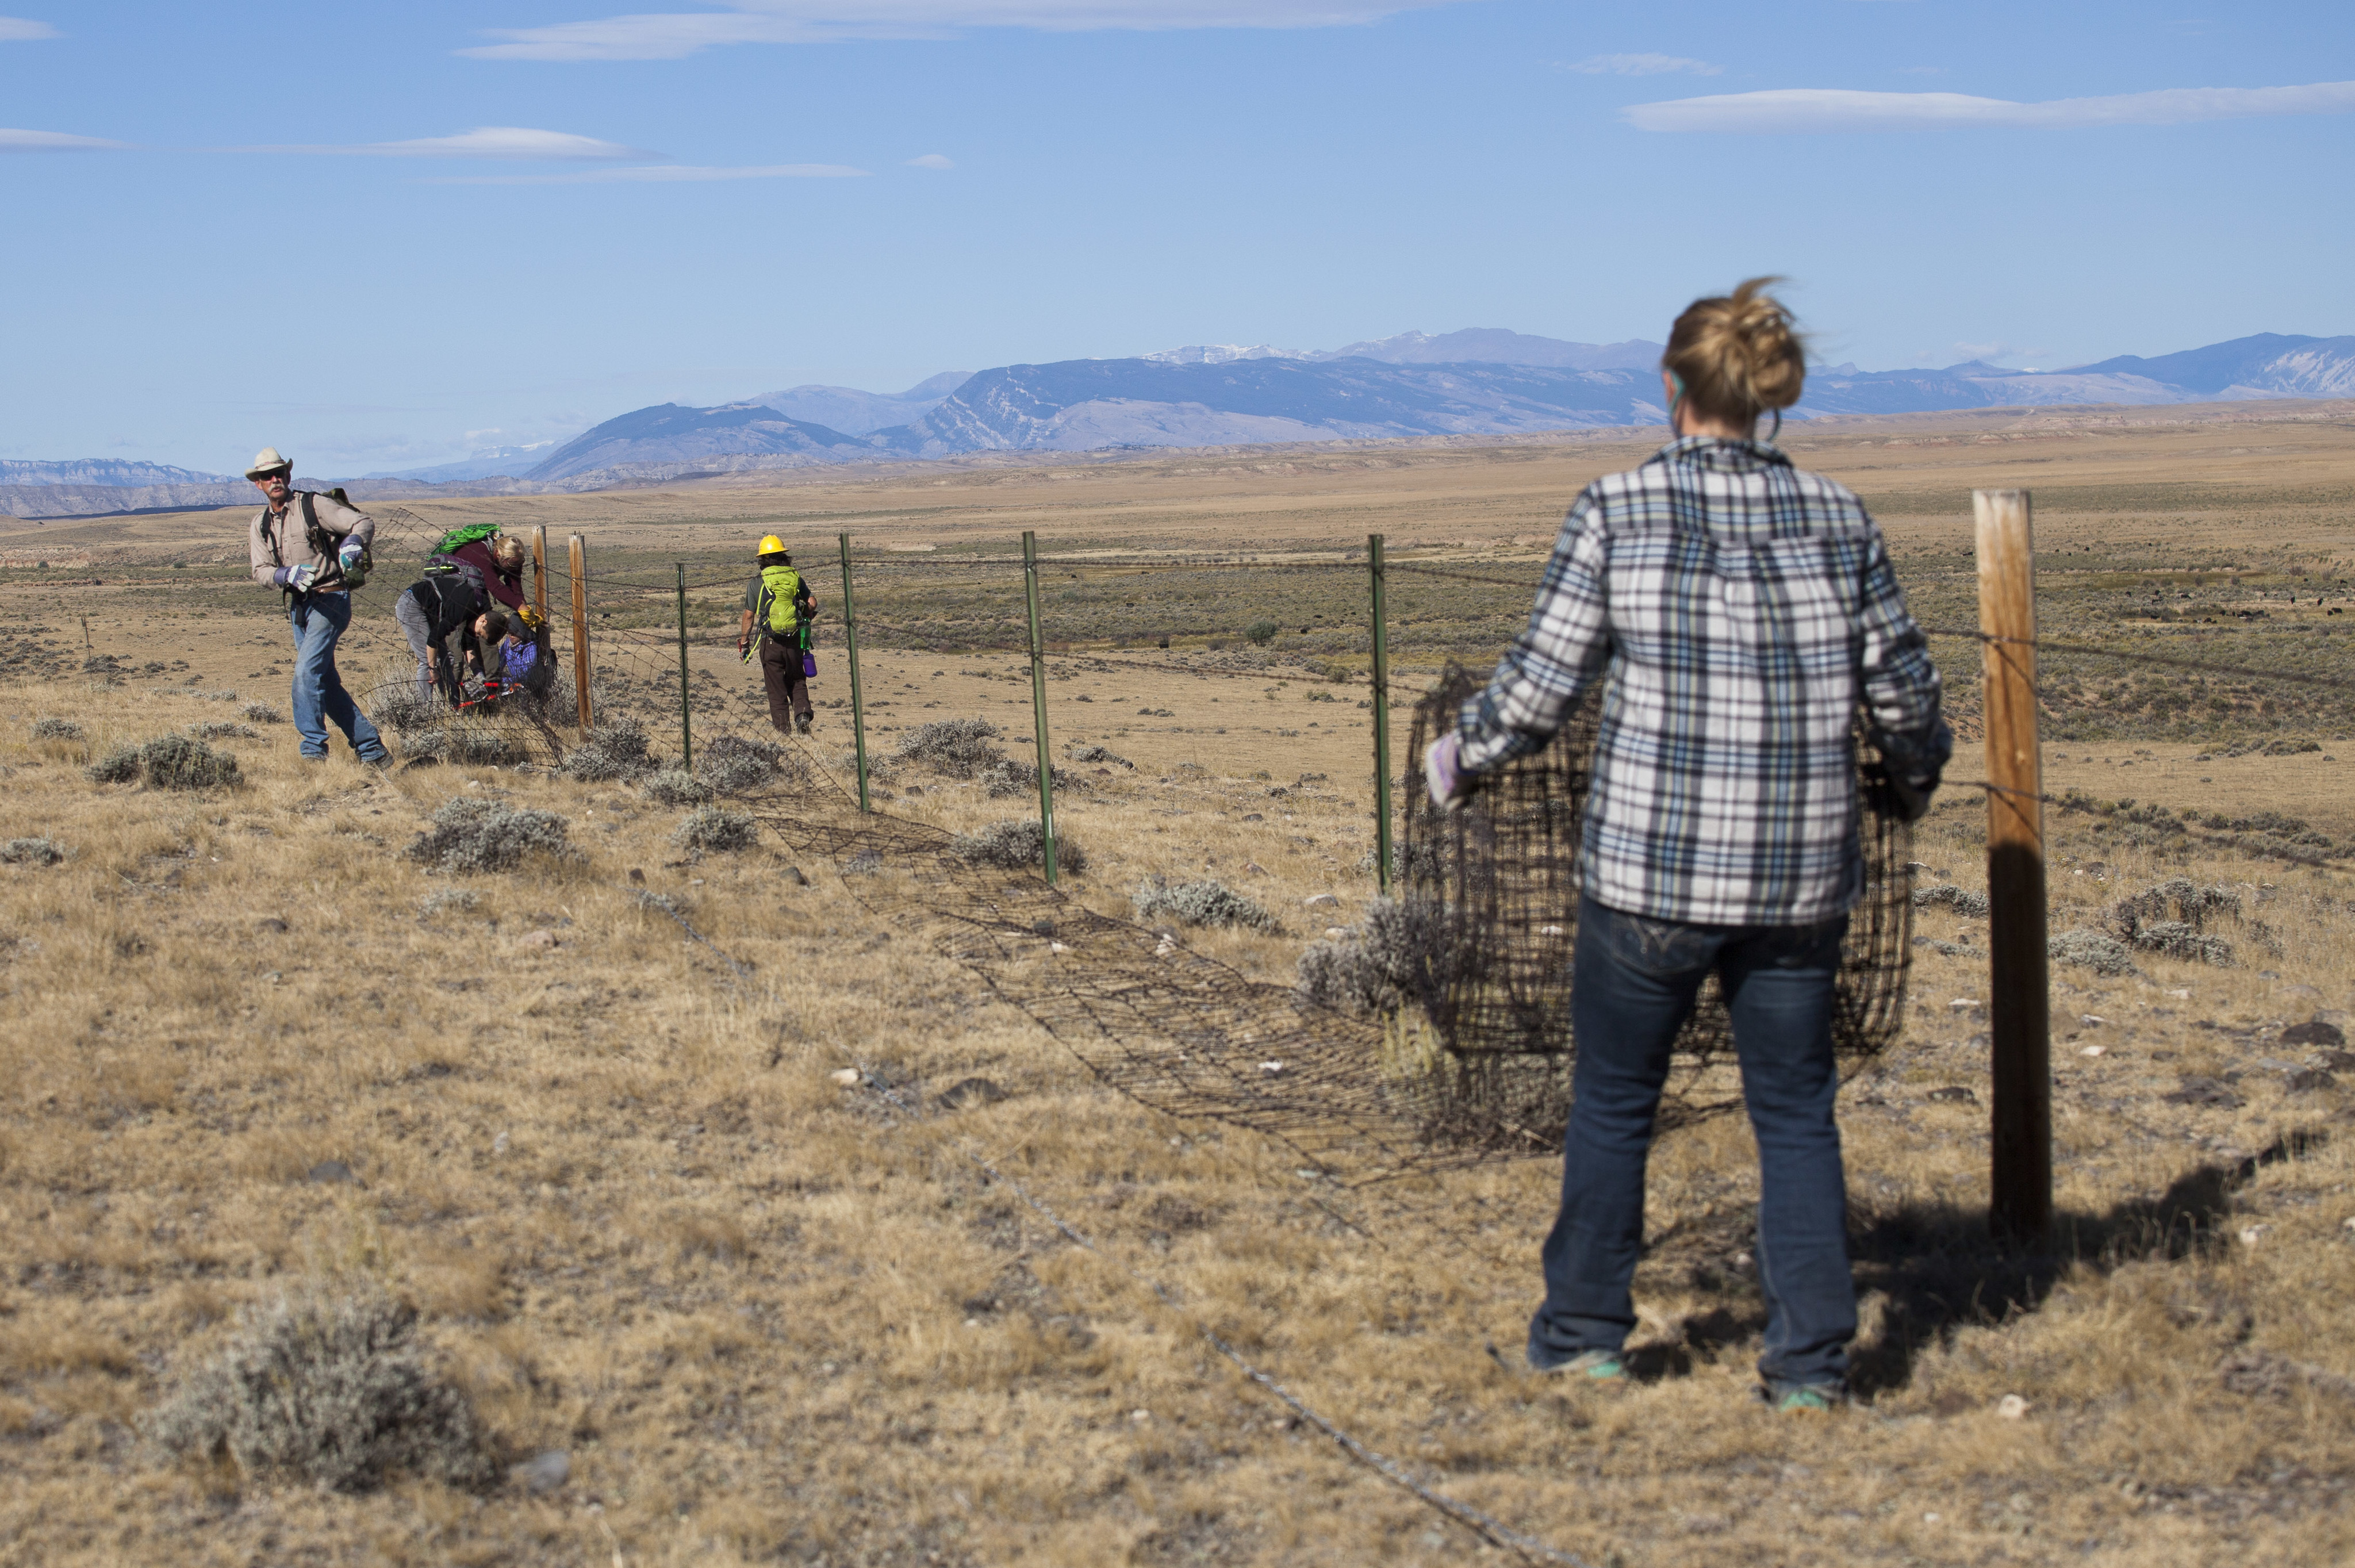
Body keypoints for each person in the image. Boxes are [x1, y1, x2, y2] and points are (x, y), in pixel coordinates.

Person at [1422, 279, 1950, 1412]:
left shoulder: (1614, 511)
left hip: (1647, 878)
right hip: (1797, 876)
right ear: (1768, 394)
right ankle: (1807, 1367)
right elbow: (1903, 696)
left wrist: (1458, 757)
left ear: (1669, 388)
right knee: (1794, 1111)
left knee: (1615, 1101)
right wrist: (1910, 783)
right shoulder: (1839, 519)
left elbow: (1538, 685)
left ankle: (1578, 1339)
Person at [244, 447, 392, 765]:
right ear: (258, 483)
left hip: (331, 598)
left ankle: (313, 752)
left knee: (306, 672)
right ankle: (372, 750)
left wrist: (353, 543)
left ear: (288, 474)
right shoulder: (259, 525)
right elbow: (260, 570)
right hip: (300, 607)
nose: (275, 479)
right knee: (324, 681)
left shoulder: (313, 505)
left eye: (279, 473)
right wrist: (285, 574)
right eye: (267, 476)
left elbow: (362, 522)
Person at [737, 535, 817, 736]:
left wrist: (745, 643)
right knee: (797, 680)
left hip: (769, 642)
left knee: (775, 688)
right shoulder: (794, 577)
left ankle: (784, 733)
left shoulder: (757, 583)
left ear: (762, 559)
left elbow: (749, 616)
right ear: (784, 556)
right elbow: (813, 603)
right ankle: (803, 715)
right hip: (794, 640)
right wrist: (805, 616)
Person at [397, 561, 507, 707]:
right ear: (484, 622)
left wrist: (479, 675)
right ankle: (424, 710)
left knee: (448, 658)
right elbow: (433, 640)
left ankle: (451, 706)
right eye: (481, 634)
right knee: (427, 659)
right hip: (412, 605)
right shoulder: (462, 610)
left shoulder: (481, 609)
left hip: (430, 610)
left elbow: (469, 649)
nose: (478, 636)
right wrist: (433, 670)